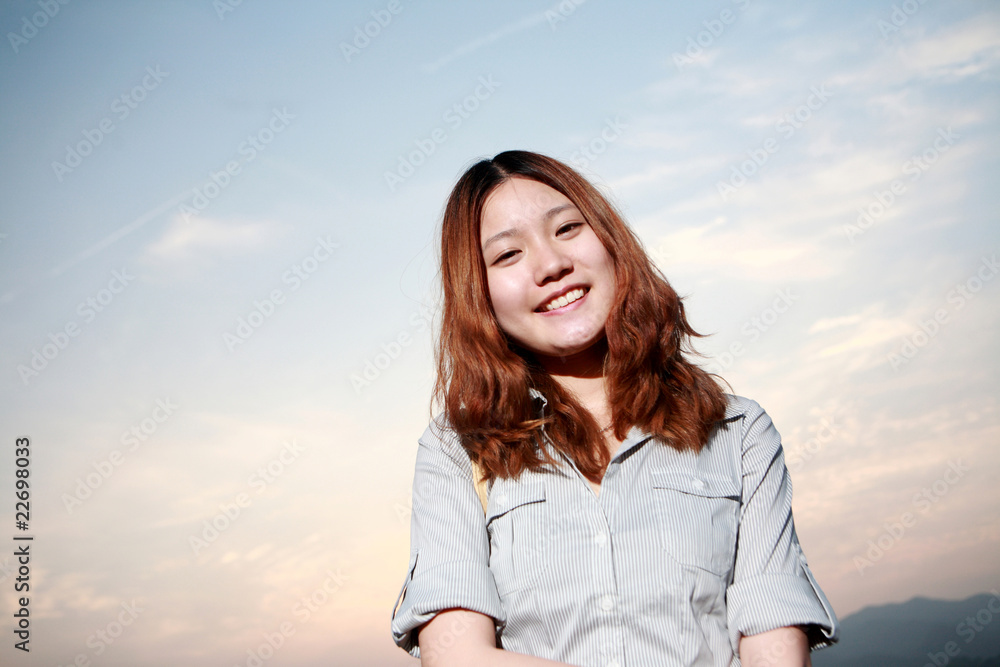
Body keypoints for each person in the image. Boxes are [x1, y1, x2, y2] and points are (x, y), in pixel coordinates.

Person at [391, 150, 838, 666]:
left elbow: (775, 650)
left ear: (609, 240)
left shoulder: (738, 433)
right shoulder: (456, 449)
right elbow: (457, 658)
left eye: (566, 228)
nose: (552, 264)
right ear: (480, 295)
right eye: (508, 255)